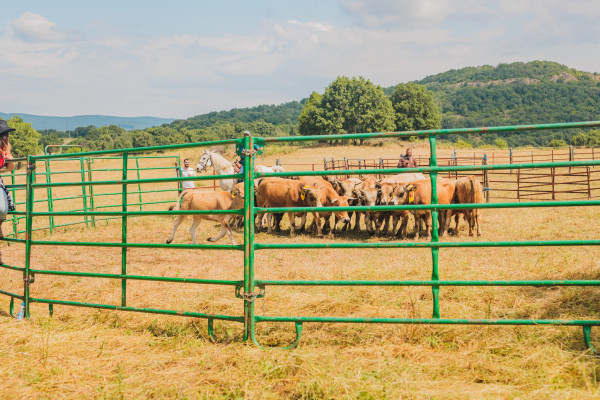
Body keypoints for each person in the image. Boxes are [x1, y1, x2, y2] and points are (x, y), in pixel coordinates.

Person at [0, 120, 16, 244]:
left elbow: (10, 169)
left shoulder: (4, 149)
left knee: (3, 209)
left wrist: (10, 159)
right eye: (4, 134)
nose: (6, 137)